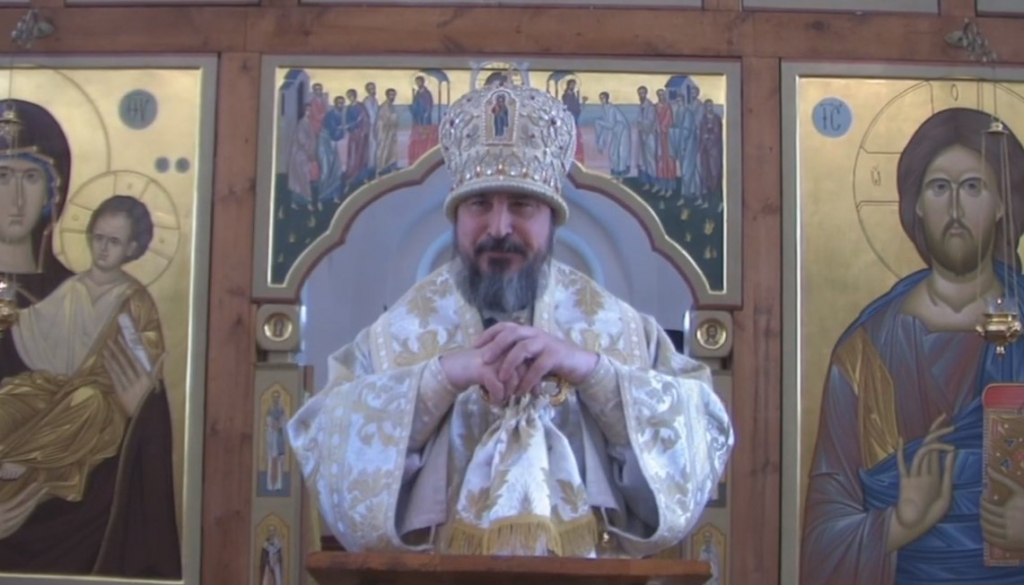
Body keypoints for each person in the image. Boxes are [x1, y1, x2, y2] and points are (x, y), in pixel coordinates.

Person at [288, 80, 733, 558]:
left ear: (552, 219)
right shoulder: (392, 338)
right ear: (456, 217)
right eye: (479, 204)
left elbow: (703, 432)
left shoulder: (624, 333)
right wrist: (437, 380)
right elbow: (324, 437)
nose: (499, 228)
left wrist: (594, 373)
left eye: (522, 204)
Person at [800, 108, 1024, 584]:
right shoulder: (865, 351)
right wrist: (899, 524)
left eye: (973, 187)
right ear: (916, 204)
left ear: (1002, 205)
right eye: (939, 187)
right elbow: (824, 532)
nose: (956, 209)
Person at [0, 193, 181, 577]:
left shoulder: (135, 299)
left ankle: (25, 461)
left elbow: (144, 357)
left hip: (103, 402)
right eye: (98, 238)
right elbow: (36, 325)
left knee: (85, 401)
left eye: (113, 241)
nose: (103, 248)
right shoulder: (74, 287)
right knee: (12, 397)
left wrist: (142, 376)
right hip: (55, 387)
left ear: (132, 248)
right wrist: (10, 316)